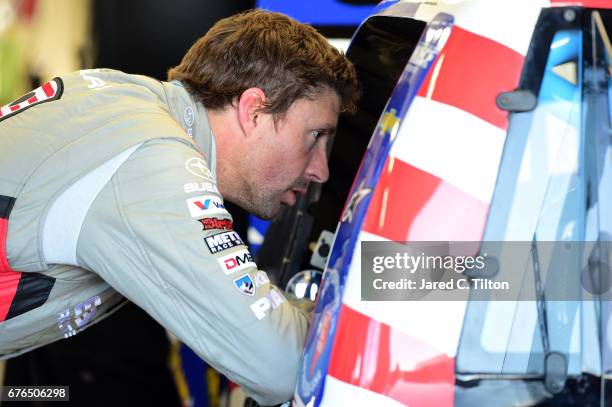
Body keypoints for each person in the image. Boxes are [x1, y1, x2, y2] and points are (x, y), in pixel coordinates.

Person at [0, 9, 359, 406]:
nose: (322, 171)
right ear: (254, 111)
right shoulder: (149, 157)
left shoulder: (123, 96)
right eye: (315, 135)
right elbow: (282, 368)